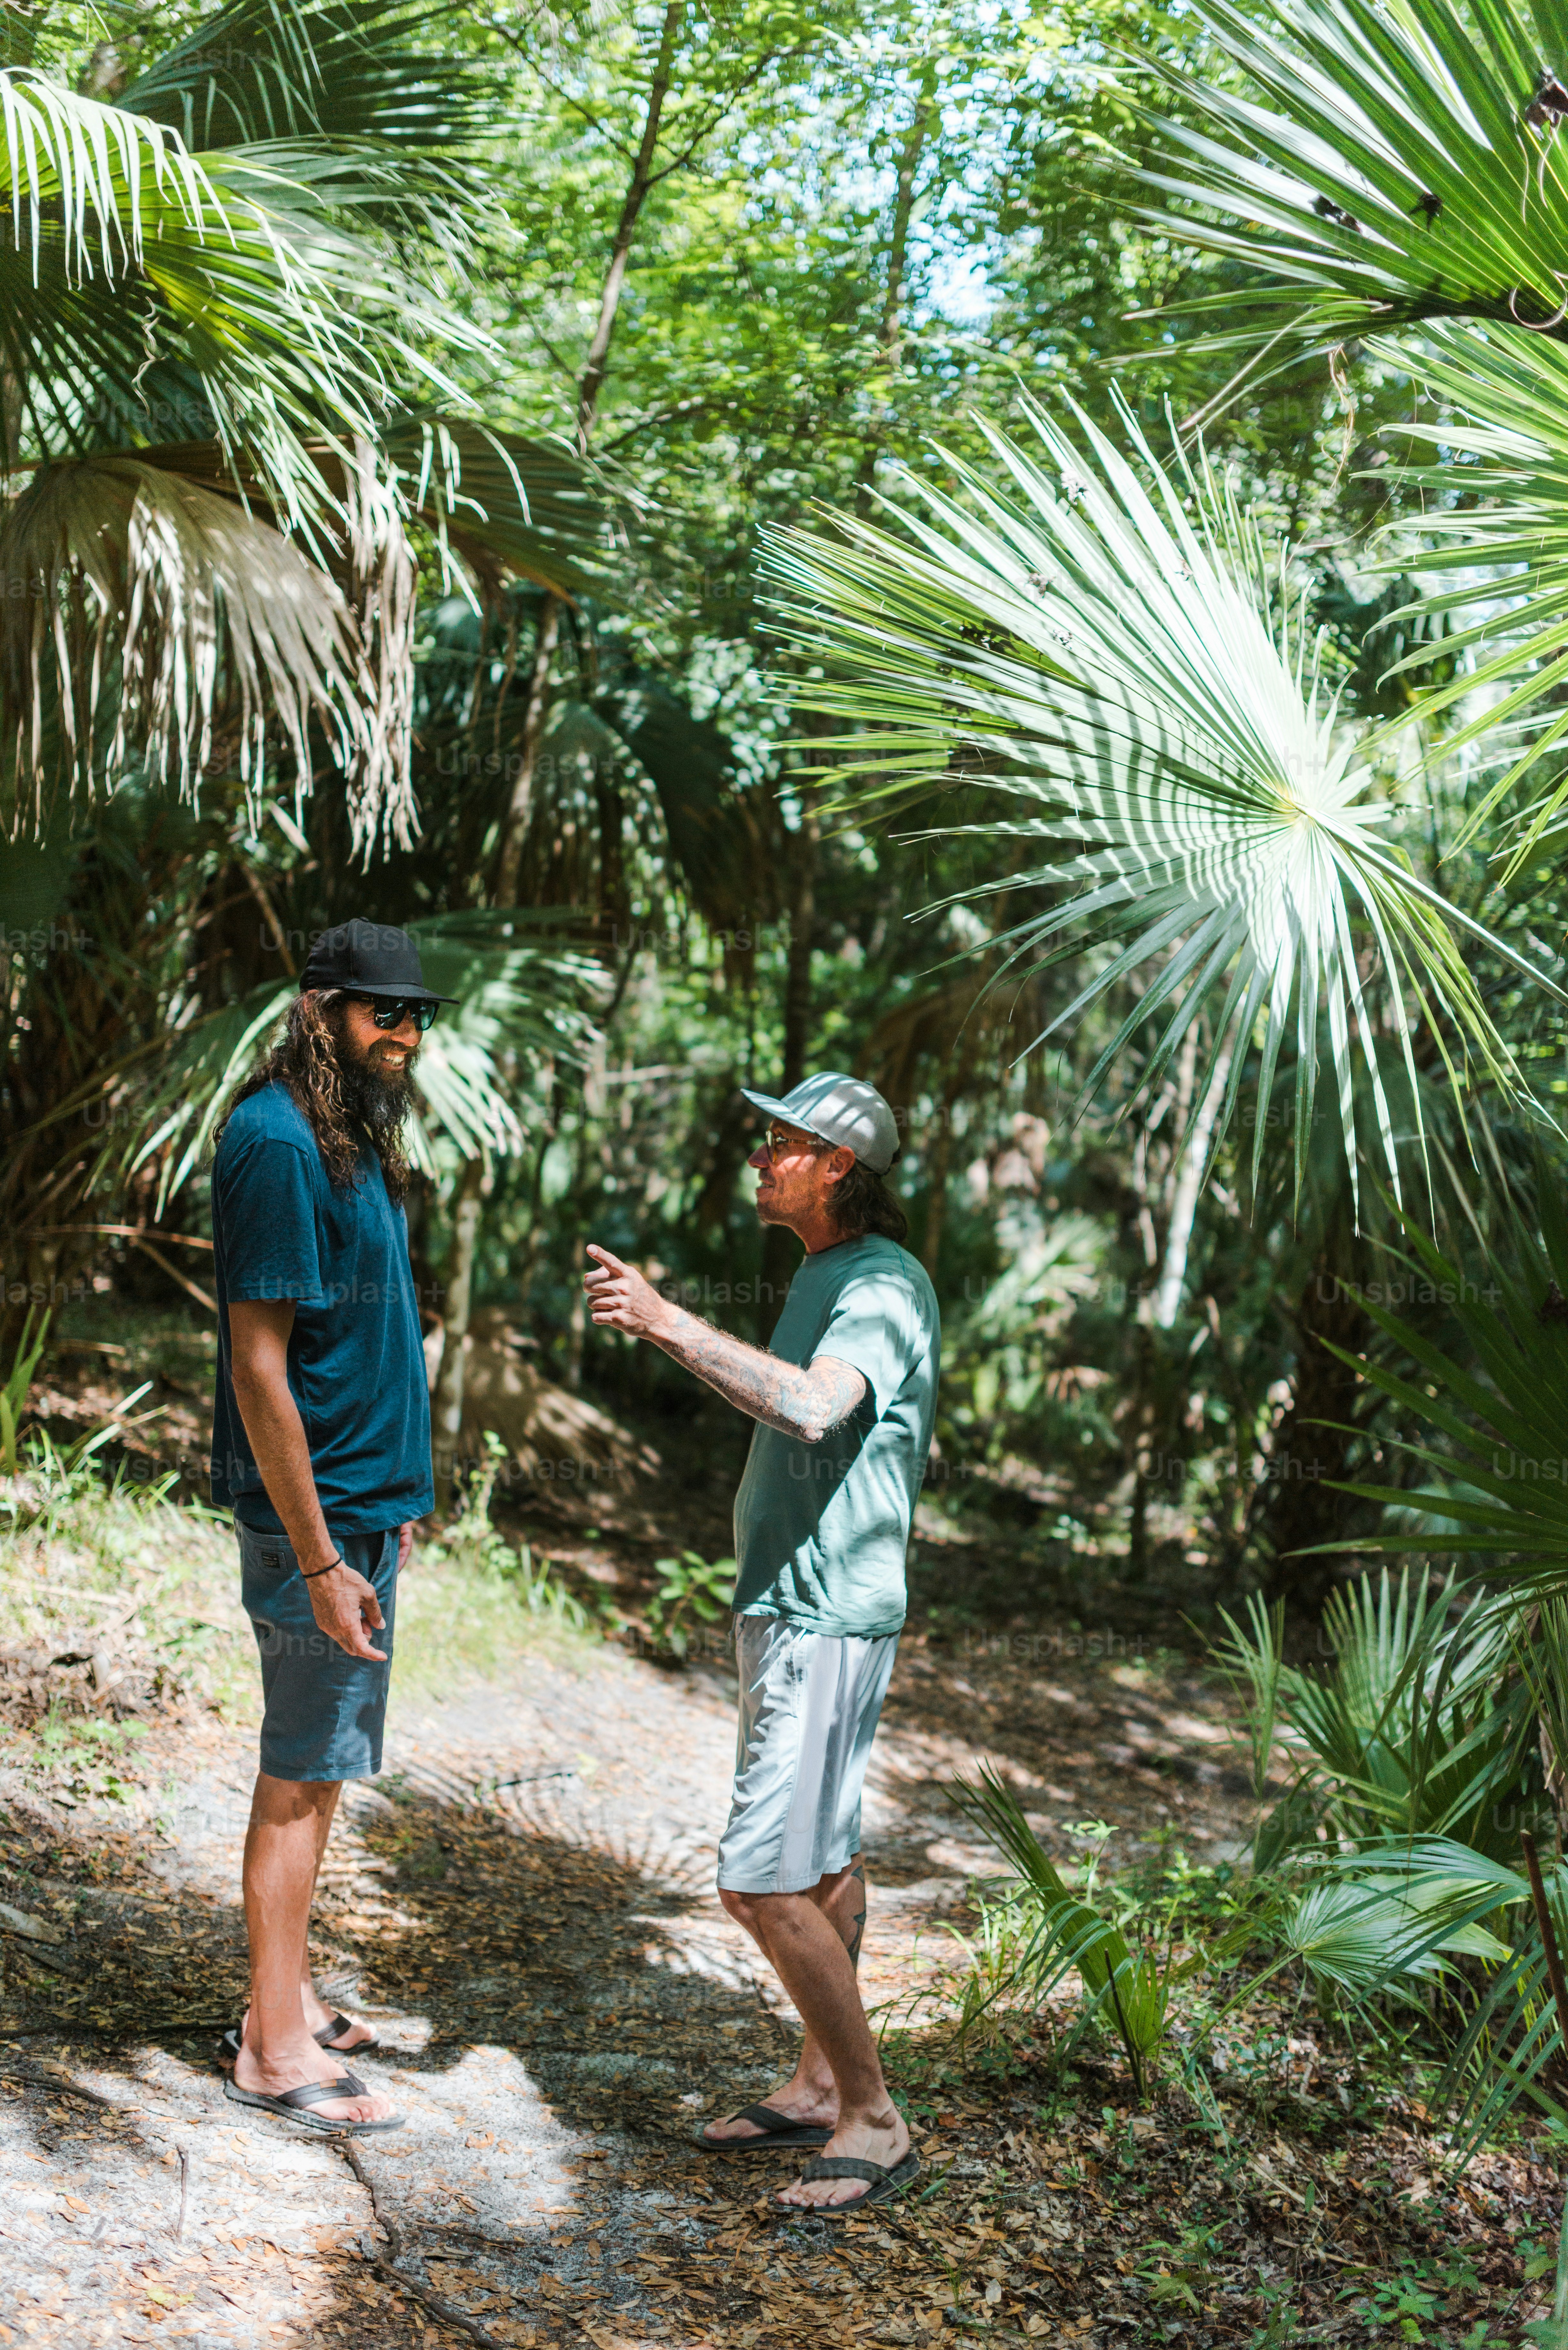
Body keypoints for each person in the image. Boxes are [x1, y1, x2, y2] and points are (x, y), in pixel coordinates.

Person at [584, 1072, 940, 2217]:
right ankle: (819, 2081)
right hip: (791, 1604)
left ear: (837, 1166)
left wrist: (665, 1319)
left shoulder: (880, 1283)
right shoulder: (823, 1272)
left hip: (825, 1611)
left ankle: (875, 2120)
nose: (758, 1159)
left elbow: (814, 1407)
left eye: (779, 1144)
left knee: (760, 1882)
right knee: (822, 1862)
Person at [207, 918, 453, 2134]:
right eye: (381, 1013)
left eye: (416, 1017)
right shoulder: (276, 1142)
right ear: (320, 1010)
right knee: (303, 1770)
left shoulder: (346, 1134)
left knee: (329, 1763)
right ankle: (272, 2044)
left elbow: (363, 1342)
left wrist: (394, 1505)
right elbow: (261, 1367)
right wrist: (316, 1556)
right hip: (319, 1525)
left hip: (363, 1510)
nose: (402, 1035)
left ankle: (286, 1990)